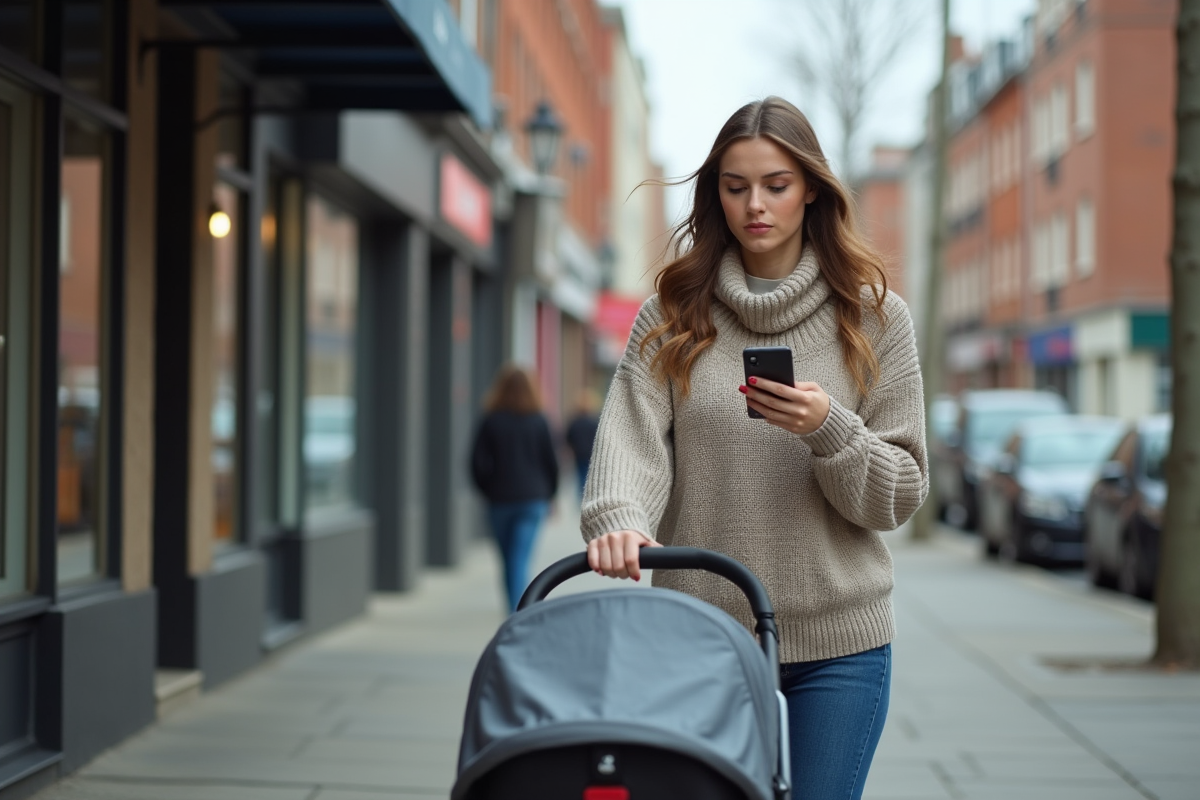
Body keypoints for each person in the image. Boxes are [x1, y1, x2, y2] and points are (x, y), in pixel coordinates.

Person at [581, 96, 927, 800]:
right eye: (735, 187)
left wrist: (828, 427)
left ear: (811, 190)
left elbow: (898, 494)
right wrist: (619, 518)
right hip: (701, 636)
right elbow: (631, 440)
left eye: (776, 185)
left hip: (840, 645)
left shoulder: (875, 316)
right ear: (716, 195)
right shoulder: (673, 313)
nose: (754, 205)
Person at [471, 364, 560, 613]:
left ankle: (516, 612)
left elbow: (476, 463)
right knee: (519, 558)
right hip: (533, 500)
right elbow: (551, 463)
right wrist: (550, 495)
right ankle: (520, 611)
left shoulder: (491, 420)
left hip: (500, 501)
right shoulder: (539, 420)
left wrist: (487, 491)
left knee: (510, 560)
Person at [564, 388, 601, 502]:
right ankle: (587, 496)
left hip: (579, 454)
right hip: (591, 454)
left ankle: (581, 497)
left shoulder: (574, 422)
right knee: (588, 475)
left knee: (580, 475)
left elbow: (568, 438)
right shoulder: (594, 422)